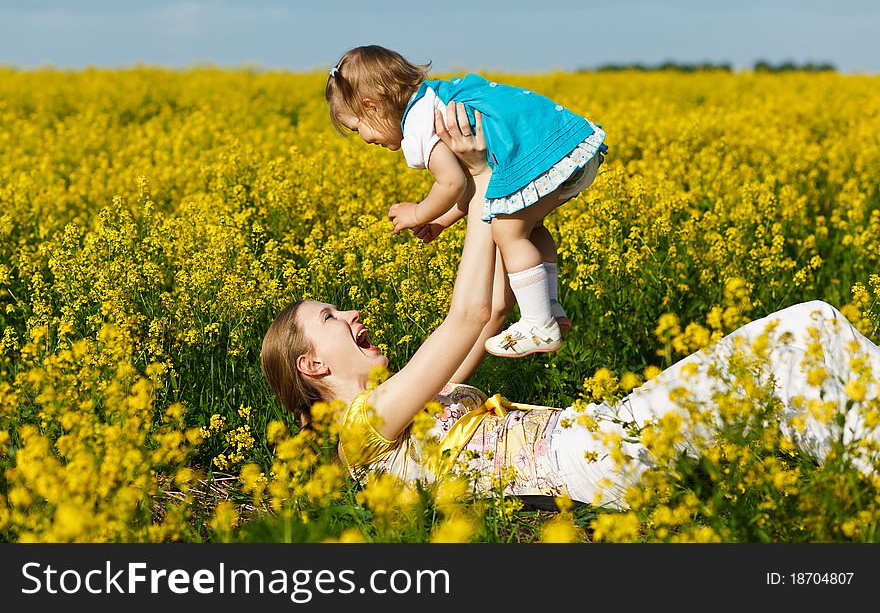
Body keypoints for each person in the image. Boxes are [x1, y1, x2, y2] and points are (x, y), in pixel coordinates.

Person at [261, 120, 880, 510]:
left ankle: (859, 483)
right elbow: (466, 312)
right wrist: (482, 182)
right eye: (330, 316)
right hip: (591, 455)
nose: (352, 312)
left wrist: (502, 201)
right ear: (312, 362)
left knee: (796, 375)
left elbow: (491, 312)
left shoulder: (413, 404)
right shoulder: (363, 428)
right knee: (810, 328)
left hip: (600, 439)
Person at [324, 44, 608, 358]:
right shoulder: (436, 97)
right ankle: (549, 307)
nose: (364, 138)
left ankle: (539, 324)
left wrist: (417, 213)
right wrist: (442, 220)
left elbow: (452, 182)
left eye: (357, 127)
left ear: (371, 105)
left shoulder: (418, 122)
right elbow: (474, 185)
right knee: (528, 227)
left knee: (507, 233)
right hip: (567, 147)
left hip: (541, 155)